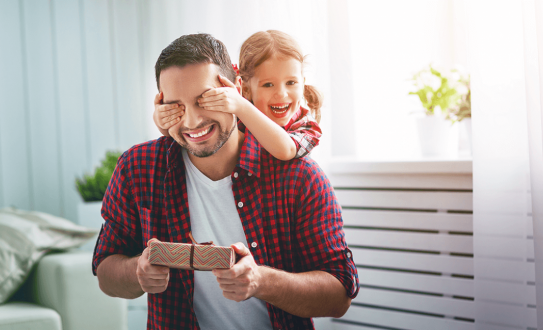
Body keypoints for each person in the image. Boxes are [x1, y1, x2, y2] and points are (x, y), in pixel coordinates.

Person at [92, 33, 359, 330]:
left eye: (206, 99)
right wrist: (135, 272)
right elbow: (105, 272)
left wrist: (262, 281)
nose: (192, 122)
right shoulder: (138, 168)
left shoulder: (300, 176)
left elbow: (340, 294)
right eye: (177, 106)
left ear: (236, 90)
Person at [153, 30, 322, 161]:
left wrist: (241, 105)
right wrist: (162, 121)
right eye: (268, 84)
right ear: (246, 89)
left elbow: (286, 151)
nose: (281, 93)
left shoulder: (306, 126)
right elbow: (187, 130)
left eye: (291, 83)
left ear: (303, 82)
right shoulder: (234, 112)